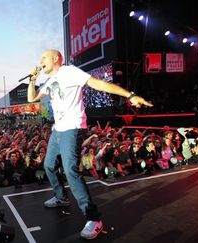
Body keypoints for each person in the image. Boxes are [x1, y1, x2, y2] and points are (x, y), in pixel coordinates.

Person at [27, 49, 153, 240]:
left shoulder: (69, 71)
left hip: (73, 128)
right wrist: (31, 79)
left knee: (70, 170)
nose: (40, 61)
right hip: (58, 129)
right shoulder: (48, 81)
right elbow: (32, 98)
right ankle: (61, 197)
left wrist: (129, 95)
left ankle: (94, 219)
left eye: (43, 57)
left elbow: (100, 84)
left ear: (55, 59)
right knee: (48, 165)